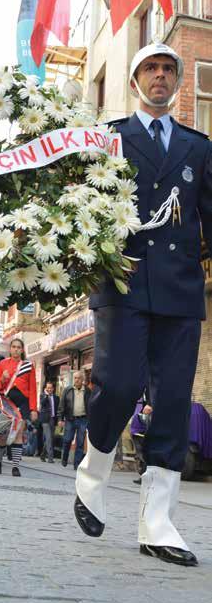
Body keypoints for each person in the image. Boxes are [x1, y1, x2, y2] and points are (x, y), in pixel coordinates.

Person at [75, 43, 212, 567]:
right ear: (135, 82)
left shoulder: (198, 148)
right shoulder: (109, 138)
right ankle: (93, 471)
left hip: (179, 290)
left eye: (167, 70)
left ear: (176, 82)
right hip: (123, 282)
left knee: (173, 401)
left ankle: (159, 522)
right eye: (150, 69)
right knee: (119, 385)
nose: (159, 76)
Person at [0, 338, 38, 477]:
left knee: (18, 434)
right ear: (10, 349)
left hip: (22, 403)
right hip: (6, 401)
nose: (16, 349)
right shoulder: (2, 364)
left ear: (22, 349)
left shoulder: (28, 366)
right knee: (2, 435)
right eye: (14, 347)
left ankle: (15, 467)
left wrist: (33, 409)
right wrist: (3, 379)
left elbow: (33, 389)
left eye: (19, 347)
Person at [58, 372, 90, 469]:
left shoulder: (88, 391)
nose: (77, 380)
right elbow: (61, 405)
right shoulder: (68, 390)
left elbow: (91, 406)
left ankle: (77, 464)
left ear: (82, 379)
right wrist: (60, 419)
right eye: (75, 378)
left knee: (80, 442)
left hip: (83, 419)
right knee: (67, 440)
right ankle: (65, 458)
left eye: (79, 378)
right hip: (70, 419)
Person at [131, 397, 153, 485]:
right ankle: (144, 475)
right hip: (139, 423)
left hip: (143, 422)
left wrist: (150, 404)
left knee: (143, 452)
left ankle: (145, 476)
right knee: (143, 451)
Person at [39, 381, 59, 463]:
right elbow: (42, 403)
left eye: (50, 388)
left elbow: (58, 408)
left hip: (53, 419)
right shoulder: (42, 396)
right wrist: (46, 395)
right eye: (48, 388)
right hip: (45, 420)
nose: (49, 389)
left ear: (53, 389)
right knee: (48, 438)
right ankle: (50, 457)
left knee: (50, 438)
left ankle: (43, 455)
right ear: (45, 389)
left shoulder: (56, 397)